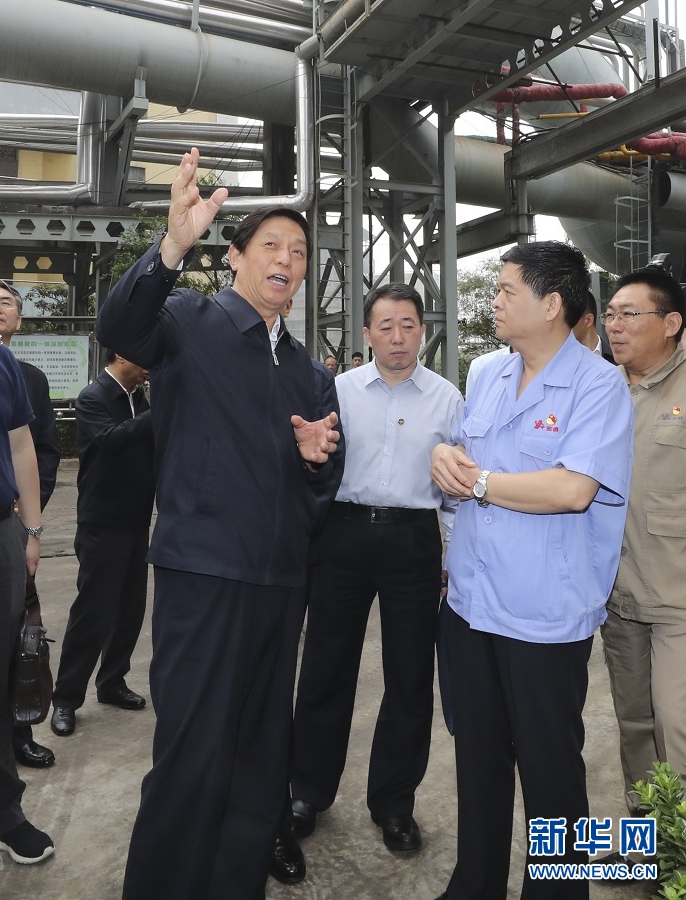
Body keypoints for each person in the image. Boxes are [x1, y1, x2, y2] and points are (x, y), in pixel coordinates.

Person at [96, 147, 341, 900]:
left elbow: (327, 481)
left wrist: (315, 460)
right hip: (202, 575)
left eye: (298, 251)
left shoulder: (308, 370)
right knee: (193, 755)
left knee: (261, 759)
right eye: (271, 245)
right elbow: (119, 327)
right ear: (233, 256)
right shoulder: (187, 320)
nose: (287, 259)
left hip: (280, 584)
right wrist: (172, 246)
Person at [431, 241, 634, 900]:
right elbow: (464, 458)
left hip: (543, 615)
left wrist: (480, 482)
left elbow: (573, 489)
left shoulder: (598, 385)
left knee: (551, 777)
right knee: (478, 762)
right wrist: (444, 460)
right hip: (471, 604)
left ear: (551, 305)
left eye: (506, 289)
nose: (494, 300)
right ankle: (475, 885)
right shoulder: (487, 371)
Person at [279, 283, 463, 880]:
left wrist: (451, 553)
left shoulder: (447, 399)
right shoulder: (339, 391)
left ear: (423, 331)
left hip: (414, 540)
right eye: (385, 326)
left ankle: (394, 802)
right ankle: (307, 791)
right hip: (344, 535)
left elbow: (457, 487)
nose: (398, 337)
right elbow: (312, 461)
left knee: (410, 676)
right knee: (326, 666)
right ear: (366, 333)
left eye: (408, 325)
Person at [600, 267, 686, 835]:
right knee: (633, 725)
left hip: (679, 599)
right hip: (618, 596)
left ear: (671, 323)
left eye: (629, 314)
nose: (615, 325)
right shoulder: (602, 391)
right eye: (610, 314)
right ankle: (650, 842)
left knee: (676, 725)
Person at [50, 350, 154, 738]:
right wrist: (158, 415)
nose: (148, 369)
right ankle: (65, 698)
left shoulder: (139, 399)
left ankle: (112, 681)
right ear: (121, 354)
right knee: (93, 611)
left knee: (130, 608)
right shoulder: (93, 397)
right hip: (102, 522)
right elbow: (111, 439)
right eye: (143, 359)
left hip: (136, 519)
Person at [0, 279, 60, 768]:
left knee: (18, 637)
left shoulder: (28, 376)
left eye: (6, 303)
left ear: (19, 318)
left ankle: (17, 734)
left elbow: (39, 451)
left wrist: (29, 522)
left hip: (11, 523)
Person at [0, 321, 53, 865]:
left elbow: (21, 446)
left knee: (0, 676)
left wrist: (31, 531)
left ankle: (3, 813)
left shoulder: (0, 361)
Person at [572, 290, 614, 362]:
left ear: (588, 320)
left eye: (568, 319)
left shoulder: (617, 358)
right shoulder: (560, 361)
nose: (562, 326)